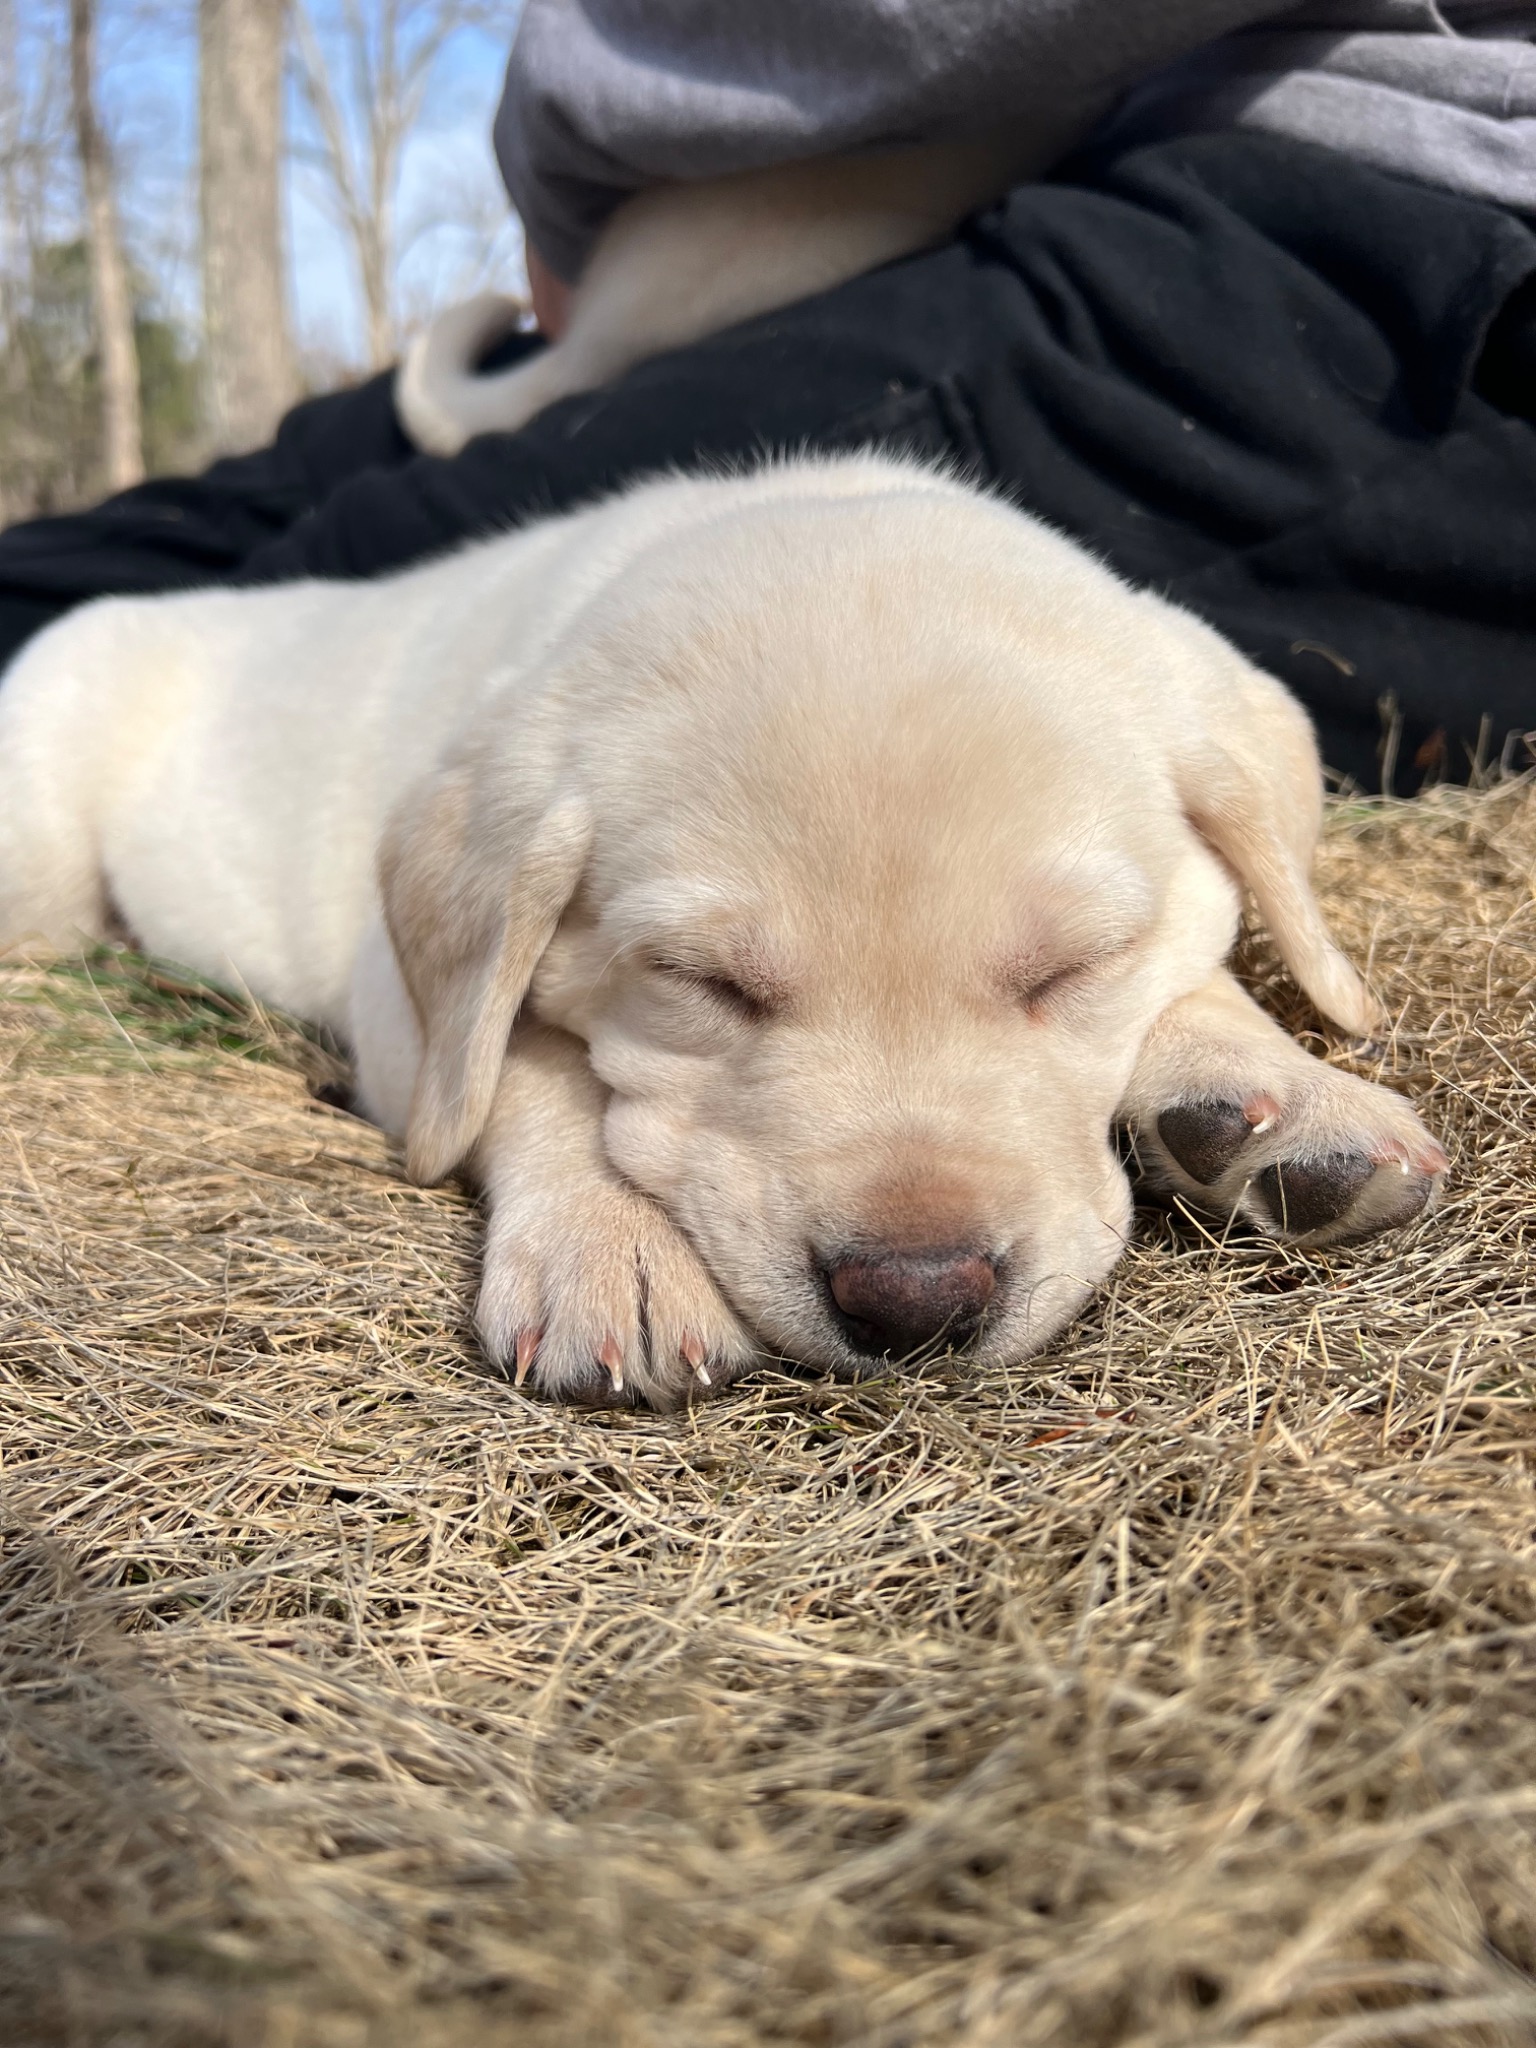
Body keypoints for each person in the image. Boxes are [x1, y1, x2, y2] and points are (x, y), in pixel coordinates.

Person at [2, 0, 1534, 790]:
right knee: (319, 478)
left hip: (1390, 247)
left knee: (367, 569)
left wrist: (577, 151)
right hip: (986, 195)